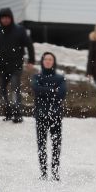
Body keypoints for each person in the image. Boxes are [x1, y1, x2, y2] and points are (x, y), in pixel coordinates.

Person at [0, 6, 34, 122]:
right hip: (2, 66)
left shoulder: (19, 30)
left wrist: (31, 60)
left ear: (11, 18)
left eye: (7, 18)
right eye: (3, 18)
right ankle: (7, 111)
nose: (5, 20)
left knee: (15, 89)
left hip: (16, 66)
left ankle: (17, 114)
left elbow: (29, 45)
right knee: (1, 91)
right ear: (0, 19)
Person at [32, 51, 66, 180]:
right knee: (41, 144)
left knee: (56, 144)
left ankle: (55, 172)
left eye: (50, 59)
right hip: (40, 114)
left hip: (55, 115)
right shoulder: (37, 77)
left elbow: (61, 94)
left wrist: (44, 91)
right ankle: (43, 172)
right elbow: (36, 89)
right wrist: (52, 90)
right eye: (46, 59)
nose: (48, 61)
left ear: (54, 62)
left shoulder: (60, 78)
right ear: (42, 61)